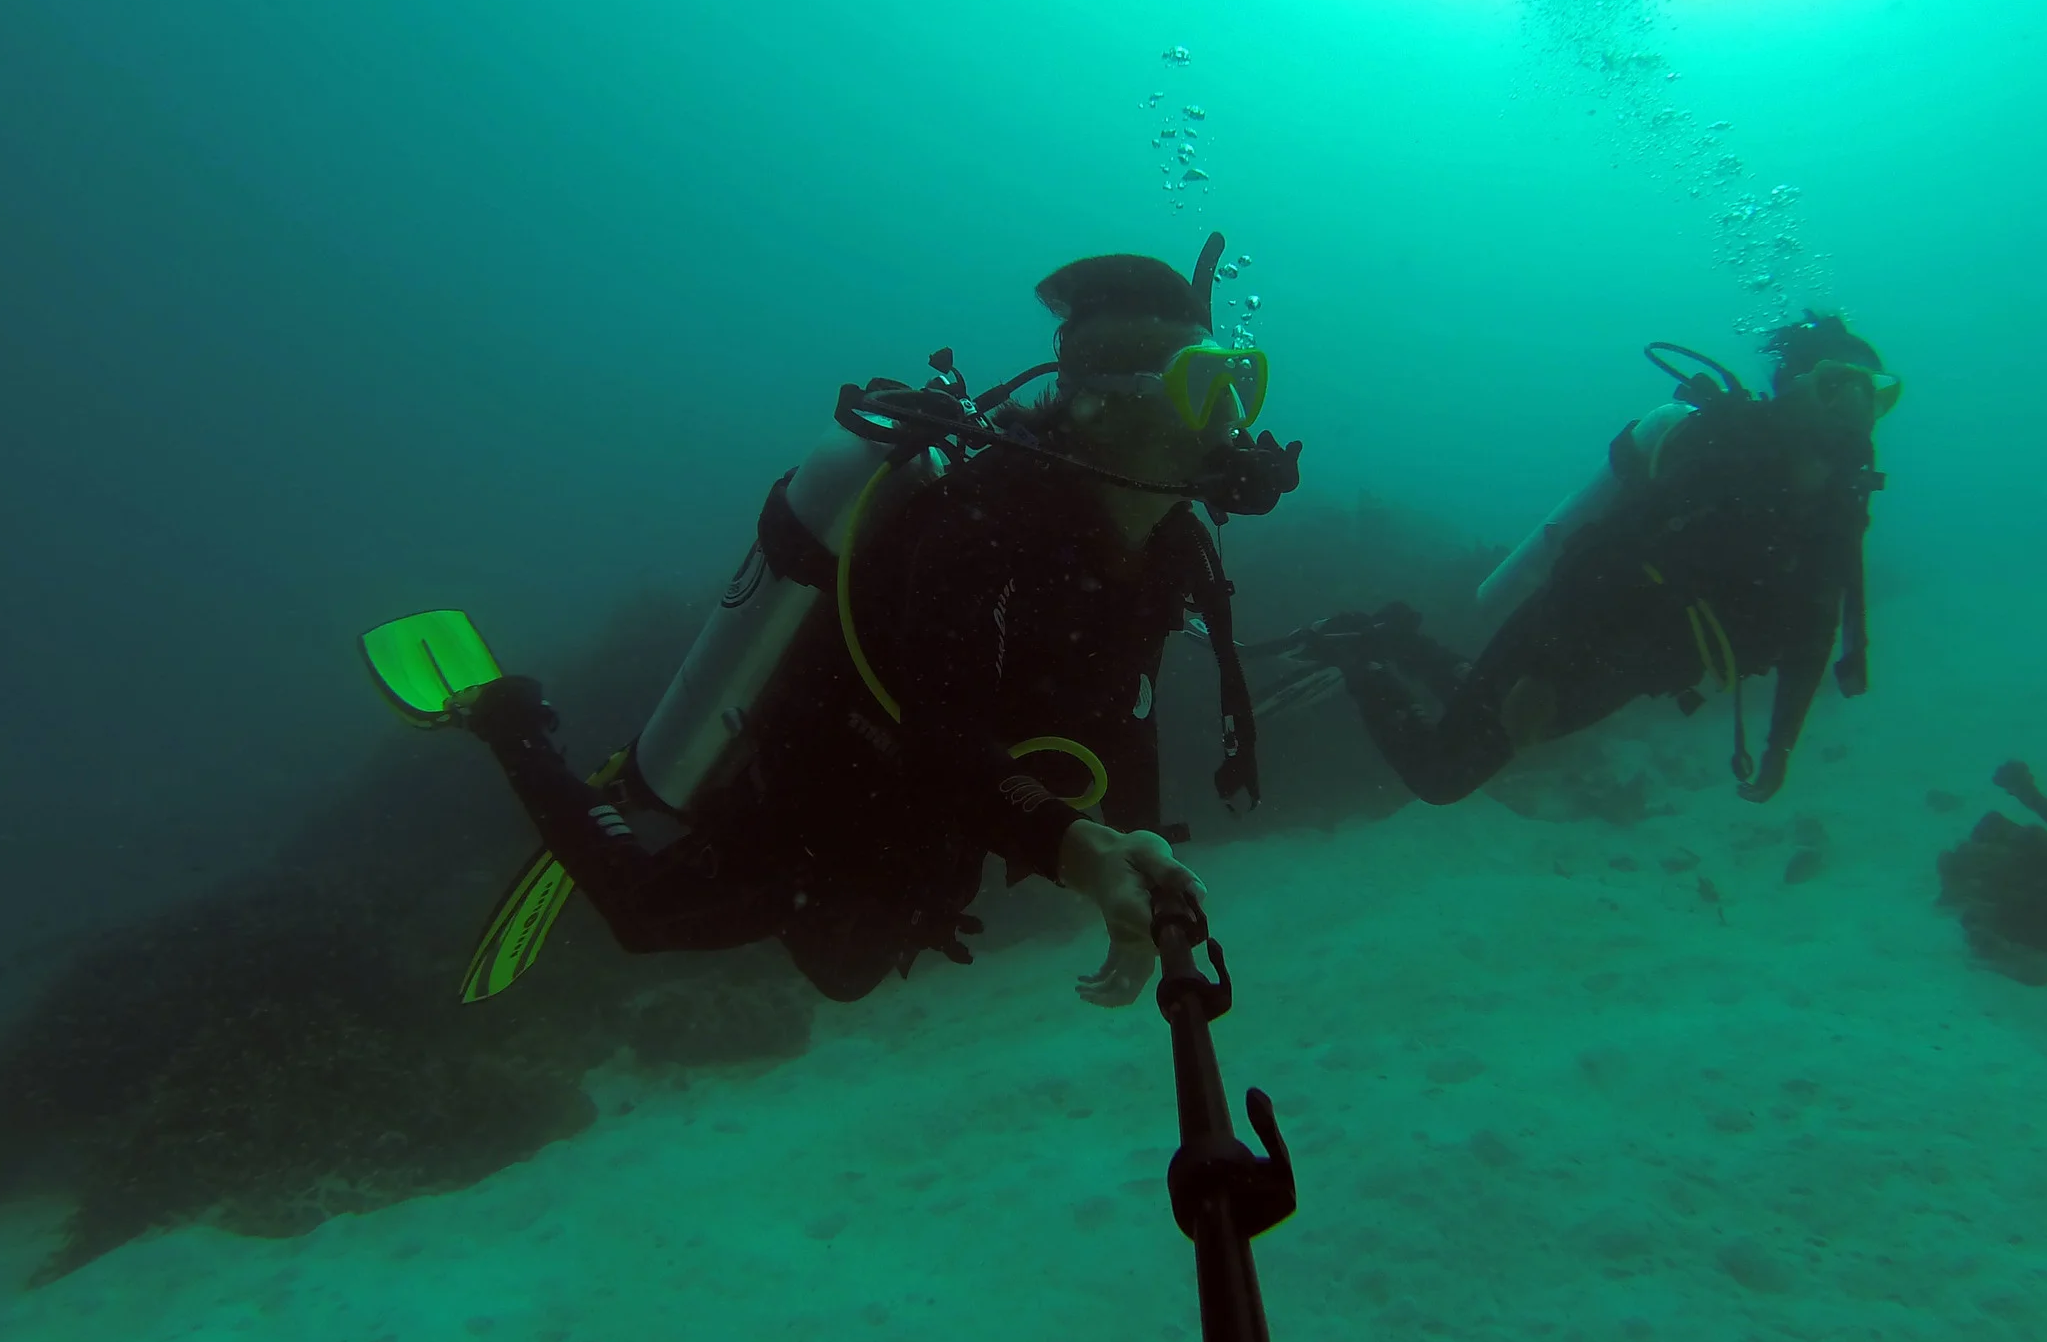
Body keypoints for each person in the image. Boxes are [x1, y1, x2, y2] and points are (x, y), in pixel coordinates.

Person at [449, 241, 1303, 1008]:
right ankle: (514, 725)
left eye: (1241, 380)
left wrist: (1135, 836)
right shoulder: (980, 528)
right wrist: (1081, 854)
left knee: (848, 972)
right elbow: (944, 740)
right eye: (1203, 387)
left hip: (955, 801)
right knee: (650, 913)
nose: (1235, 420)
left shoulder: (1166, 541)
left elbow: (1130, 704)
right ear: (1102, 409)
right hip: (839, 773)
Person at [1276, 311, 1894, 807]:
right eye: (1840, 387)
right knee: (1444, 776)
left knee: (1501, 722)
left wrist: (1781, 745)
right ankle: (1359, 657)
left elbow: (1814, 631)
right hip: (1575, 629)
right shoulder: (1721, 455)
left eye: (1876, 396)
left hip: (1637, 668)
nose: (1856, 413)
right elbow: (1600, 554)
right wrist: (1544, 671)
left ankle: (1402, 642)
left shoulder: (1836, 511)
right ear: (1795, 390)